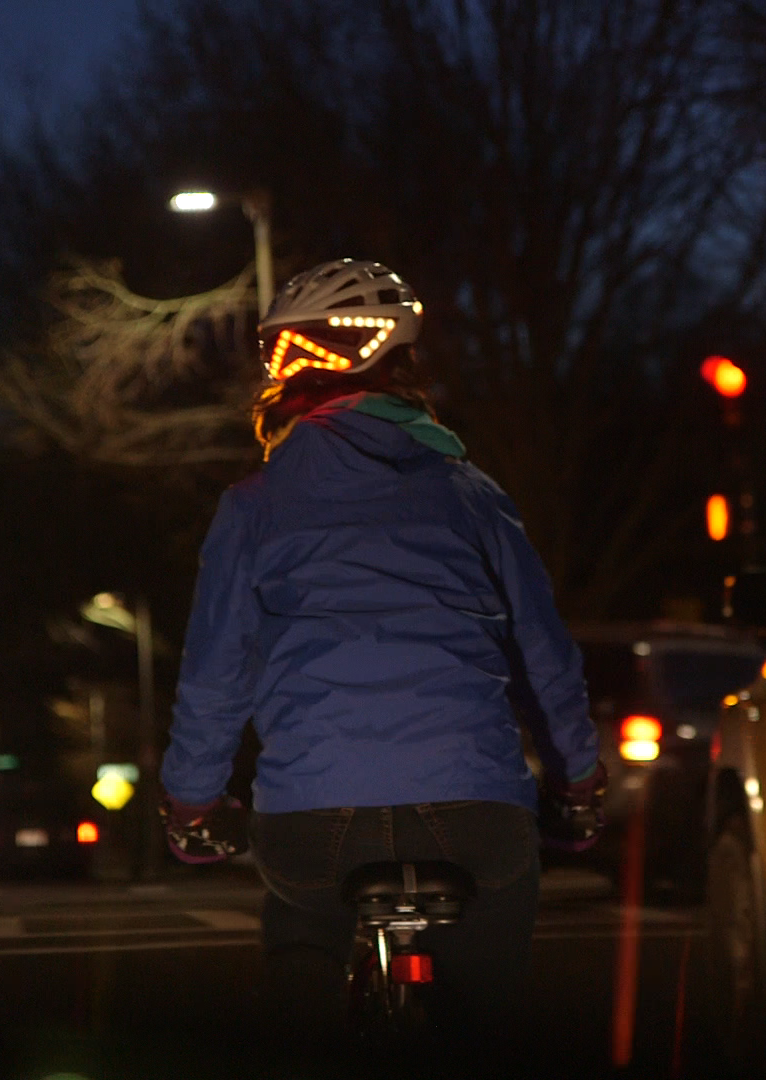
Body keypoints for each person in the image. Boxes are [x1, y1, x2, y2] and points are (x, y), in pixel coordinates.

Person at [157, 259, 604, 1073]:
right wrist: (576, 786)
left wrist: (192, 803)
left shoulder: (252, 507)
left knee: (301, 940)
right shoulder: (471, 495)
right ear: (401, 362)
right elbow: (544, 658)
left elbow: (216, 672)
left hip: (311, 819)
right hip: (475, 810)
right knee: (486, 1015)